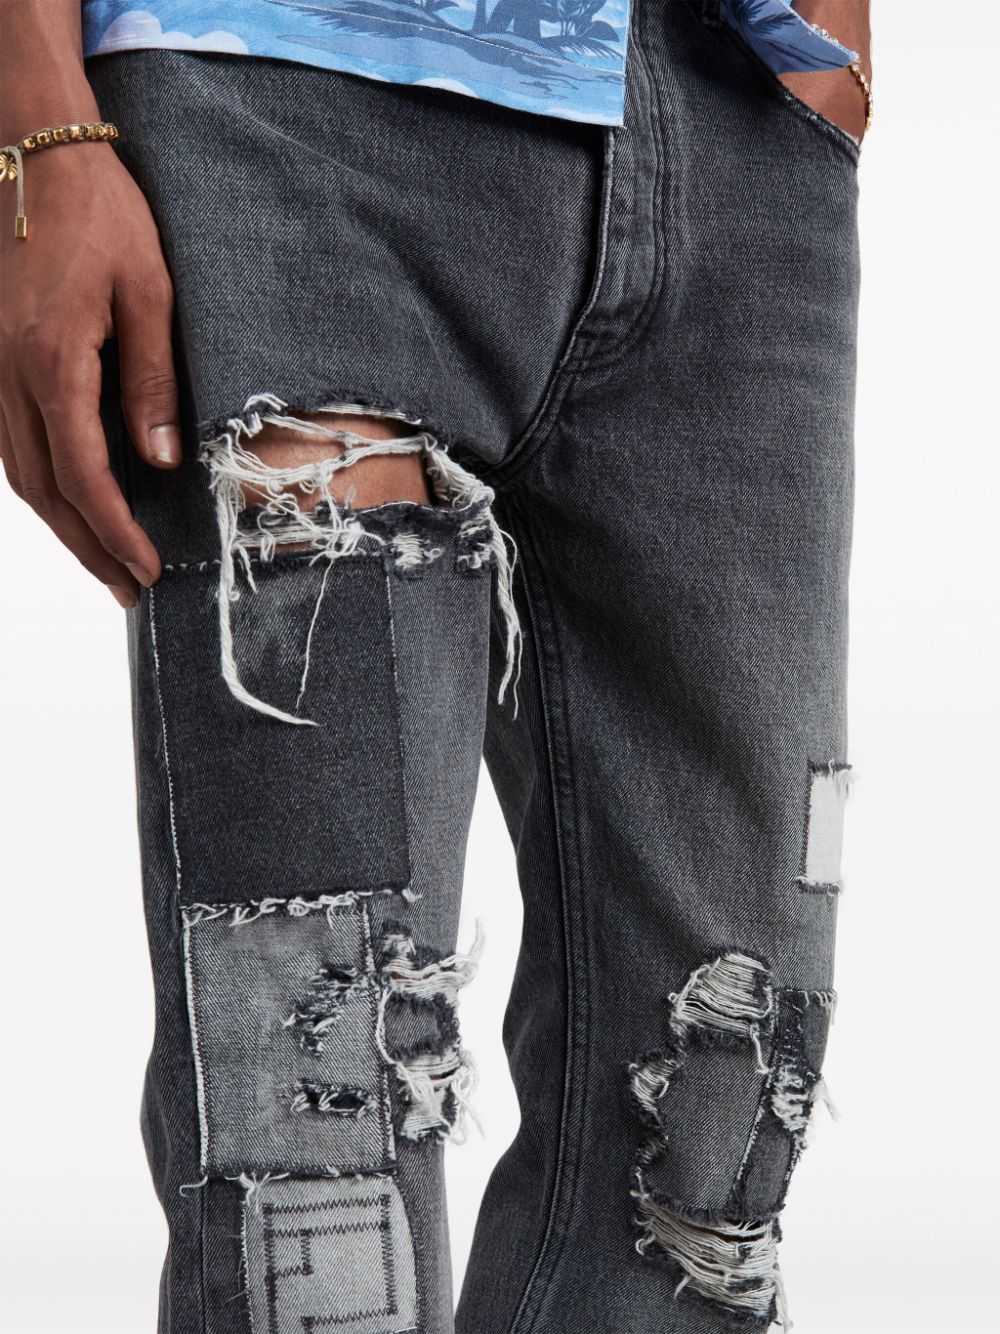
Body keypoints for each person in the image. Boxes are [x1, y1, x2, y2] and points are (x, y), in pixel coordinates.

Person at [0, 1, 871, 1330]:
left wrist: (837, 60)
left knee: (714, 1156)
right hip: (285, 111)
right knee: (313, 1174)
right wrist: (36, 126)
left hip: (728, 125)